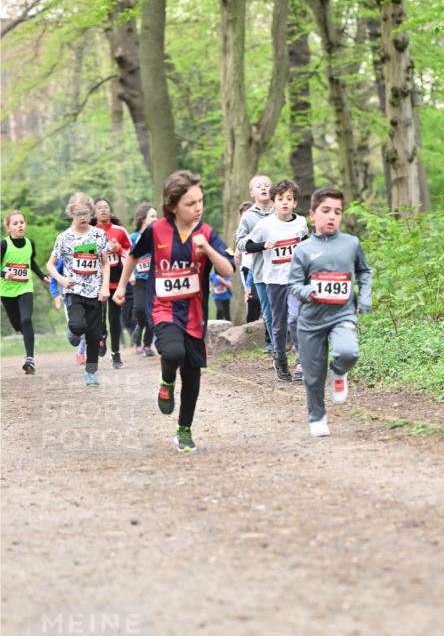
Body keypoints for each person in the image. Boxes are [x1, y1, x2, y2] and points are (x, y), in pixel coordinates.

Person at [113, 170, 235, 453]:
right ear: (173, 206)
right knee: (174, 353)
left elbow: (228, 269)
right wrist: (121, 287)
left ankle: (184, 429)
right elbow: (133, 255)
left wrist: (208, 251)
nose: (198, 208)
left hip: (194, 314)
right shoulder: (156, 231)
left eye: (200, 201)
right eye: (191, 203)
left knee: (192, 375)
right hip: (163, 308)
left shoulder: (205, 233)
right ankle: (167, 380)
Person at [288, 187, 372, 437]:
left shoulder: (351, 244)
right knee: (312, 376)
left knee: (349, 352)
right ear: (313, 214)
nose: (332, 216)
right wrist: (307, 292)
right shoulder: (303, 250)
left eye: (337, 212)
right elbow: (293, 284)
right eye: (326, 211)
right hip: (311, 320)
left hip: (342, 314)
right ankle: (317, 417)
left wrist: (364, 298)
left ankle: (339, 372)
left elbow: (364, 272)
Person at [245, 178, 308, 382]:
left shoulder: (301, 222)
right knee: (279, 324)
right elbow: (245, 246)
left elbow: (305, 242)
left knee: (296, 318)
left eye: (289, 199)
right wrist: (263, 245)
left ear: (295, 203)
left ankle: (301, 361)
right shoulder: (265, 225)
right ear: (273, 203)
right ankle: (280, 358)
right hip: (273, 281)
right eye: (280, 199)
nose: (285, 202)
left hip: (296, 280)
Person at [47, 192, 110, 386]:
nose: (82, 217)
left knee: (94, 335)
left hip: (95, 292)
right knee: (78, 325)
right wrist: (62, 279)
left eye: (86, 213)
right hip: (74, 290)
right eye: (78, 213)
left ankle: (91, 373)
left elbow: (105, 263)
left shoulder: (99, 234)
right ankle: (73, 332)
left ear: (91, 213)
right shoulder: (64, 238)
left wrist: (105, 286)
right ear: (71, 214)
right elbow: (50, 264)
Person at [1, 211, 51, 374]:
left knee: (26, 319)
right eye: (15, 223)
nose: (20, 225)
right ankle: (26, 335)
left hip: (25, 288)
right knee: (18, 325)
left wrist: (43, 276)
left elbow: (31, 262)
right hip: (7, 290)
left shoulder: (30, 243)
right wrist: (4, 274)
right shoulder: (3, 245)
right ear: (8, 227)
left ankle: (30, 359)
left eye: (22, 222)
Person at [235, 176, 274, 350]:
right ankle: (273, 344)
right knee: (268, 310)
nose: (264, 188)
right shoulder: (248, 217)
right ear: (252, 193)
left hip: (282, 268)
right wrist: (259, 244)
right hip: (260, 270)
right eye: (259, 186)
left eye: (267, 185)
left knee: (285, 308)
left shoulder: (281, 211)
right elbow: (240, 243)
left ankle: (287, 341)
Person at [94, 198, 131, 368]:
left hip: (116, 281)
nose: (103, 210)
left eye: (105, 207)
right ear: (94, 212)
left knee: (115, 318)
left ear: (110, 211)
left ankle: (116, 354)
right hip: (97, 282)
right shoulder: (89, 232)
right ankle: (101, 335)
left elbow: (131, 256)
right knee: (99, 317)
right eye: (99, 208)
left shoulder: (120, 231)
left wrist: (119, 250)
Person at [129, 202, 158, 356]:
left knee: (153, 313)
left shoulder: (158, 235)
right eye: (152, 216)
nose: (156, 219)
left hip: (155, 280)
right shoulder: (133, 237)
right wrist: (131, 274)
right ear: (143, 219)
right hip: (139, 280)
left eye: (156, 216)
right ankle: (139, 327)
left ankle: (147, 345)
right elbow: (127, 256)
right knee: (140, 310)